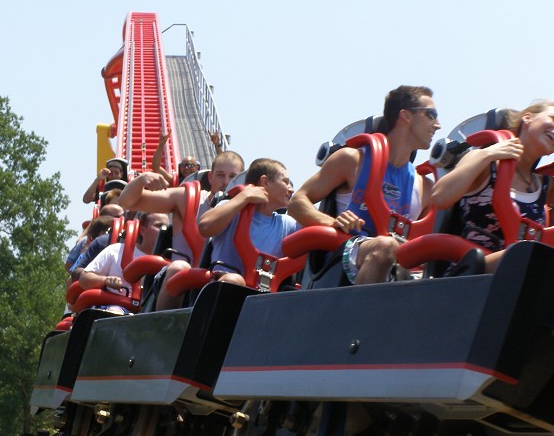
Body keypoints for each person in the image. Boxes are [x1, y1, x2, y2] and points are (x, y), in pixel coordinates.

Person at [288, 85, 439, 284]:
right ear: (406, 116)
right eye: (431, 115)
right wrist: (332, 223)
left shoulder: (425, 187)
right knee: (386, 246)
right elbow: (297, 203)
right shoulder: (352, 160)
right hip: (343, 260)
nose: (437, 125)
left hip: (394, 265)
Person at [430, 100, 554, 271]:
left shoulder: (543, 186)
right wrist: (488, 154)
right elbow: (439, 197)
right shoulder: (485, 161)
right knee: (530, 253)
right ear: (527, 117)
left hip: (522, 277)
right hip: (473, 274)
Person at [118, 150, 245, 309]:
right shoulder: (185, 198)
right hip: (177, 278)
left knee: (233, 279)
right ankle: (164, 327)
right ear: (210, 177)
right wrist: (141, 180)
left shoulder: (247, 209)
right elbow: (127, 202)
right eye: (220, 175)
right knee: (180, 268)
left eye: (232, 177)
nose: (226, 182)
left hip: (218, 279)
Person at [197, 158, 300, 287]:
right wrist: (244, 197)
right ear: (265, 182)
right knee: (235, 281)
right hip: (223, 284)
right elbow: (205, 227)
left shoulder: (286, 224)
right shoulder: (232, 208)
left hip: (263, 294)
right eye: (285, 182)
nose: (291, 189)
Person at [78, 212, 170, 314]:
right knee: (115, 312)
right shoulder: (116, 250)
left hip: (150, 312)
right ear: (142, 230)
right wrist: (106, 280)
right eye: (159, 226)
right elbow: (84, 279)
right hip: (116, 308)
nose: (164, 230)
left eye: (167, 226)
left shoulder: (170, 258)